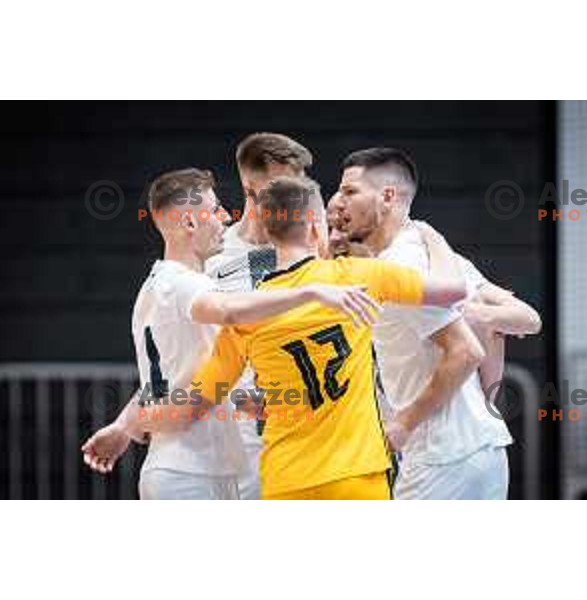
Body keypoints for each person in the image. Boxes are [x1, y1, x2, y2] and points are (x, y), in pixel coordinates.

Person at [81, 167, 379, 499]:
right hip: (189, 468)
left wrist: (126, 426)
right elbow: (230, 312)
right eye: (216, 208)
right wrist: (312, 291)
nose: (225, 217)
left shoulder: (162, 285)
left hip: (196, 463)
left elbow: (176, 379)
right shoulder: (183, 284)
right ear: (191, 223)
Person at [186, 176, 469, 500]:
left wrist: (255, 401)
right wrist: (433, 238)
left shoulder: (252, 310)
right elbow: (453, 290)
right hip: (356, 475)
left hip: (286, 478)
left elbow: (204, 396)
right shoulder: (358, 275)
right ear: (314, 228)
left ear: (266, 232)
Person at [332, 147, 542, 499]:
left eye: (350, 191)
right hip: (480, 448)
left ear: (387, 196)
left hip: (444, 455)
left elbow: (465, 353)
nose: (340, 202)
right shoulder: (429, 251)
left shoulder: (402, 266)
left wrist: (403, 423)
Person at [204, 132, 314, 499]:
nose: (293, 193)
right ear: (251, 188)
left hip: (309, 426)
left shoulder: (313, 248)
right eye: (283, 183)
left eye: (298, 183)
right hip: (240, 430)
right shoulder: (214, 258)